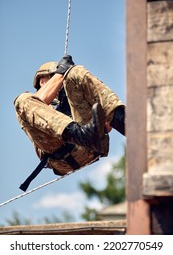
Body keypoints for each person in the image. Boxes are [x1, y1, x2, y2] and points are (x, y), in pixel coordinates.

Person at [14, 55, 125, 189]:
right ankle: (80, 134)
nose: (63, 82)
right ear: (43, 81)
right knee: (21, 100)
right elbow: (37, 100)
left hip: (91, 146)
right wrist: (61, 73)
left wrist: (76, 86)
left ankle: (130, 126)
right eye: (57, 77)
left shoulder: (70, 98)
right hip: (61, 155)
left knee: (76, 71)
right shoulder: (30, 106)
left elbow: (107, 127)